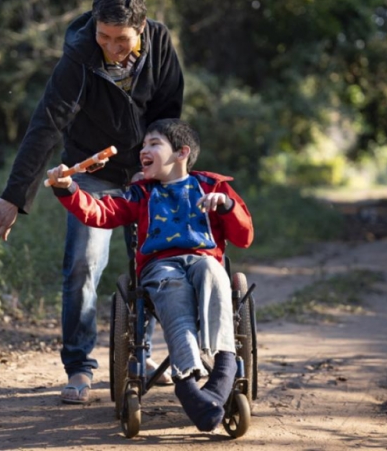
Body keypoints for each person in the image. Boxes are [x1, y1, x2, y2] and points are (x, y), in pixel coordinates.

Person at [0, 0, 184, 404]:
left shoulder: (161, 44)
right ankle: (79, 367)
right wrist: (14, 196)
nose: (111, 47)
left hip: (144, 171)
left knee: (150, 261)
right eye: (103, 36)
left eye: (121, 39)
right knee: (83, 264)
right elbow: (46, 124)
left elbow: (168, 117)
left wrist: (154, 168)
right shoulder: (79, 56)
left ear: (141, 28)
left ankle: (139, 354)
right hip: (92, 171)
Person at [46, 118, 254, 432]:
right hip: (161, 266)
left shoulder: (212, 187)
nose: (143, 150)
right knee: (172, 288)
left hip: (204, 259)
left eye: (154, 144)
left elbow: (244, 237)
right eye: (143, 145)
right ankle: (187, 382)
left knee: (213, 271)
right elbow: (101, 212)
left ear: (182, 152)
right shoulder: (140, 194)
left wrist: (225, 206)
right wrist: (70, 188)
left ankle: (222, 373)